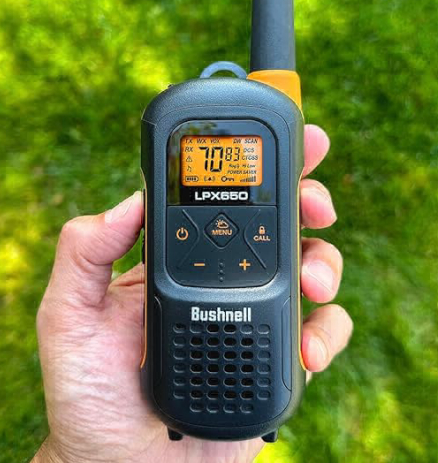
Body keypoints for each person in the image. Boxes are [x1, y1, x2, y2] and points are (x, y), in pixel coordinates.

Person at [32, 124, 352, 463]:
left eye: (236, 163)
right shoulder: (268, 122)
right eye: (208, 162)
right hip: (203, 398)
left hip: (211, 394)